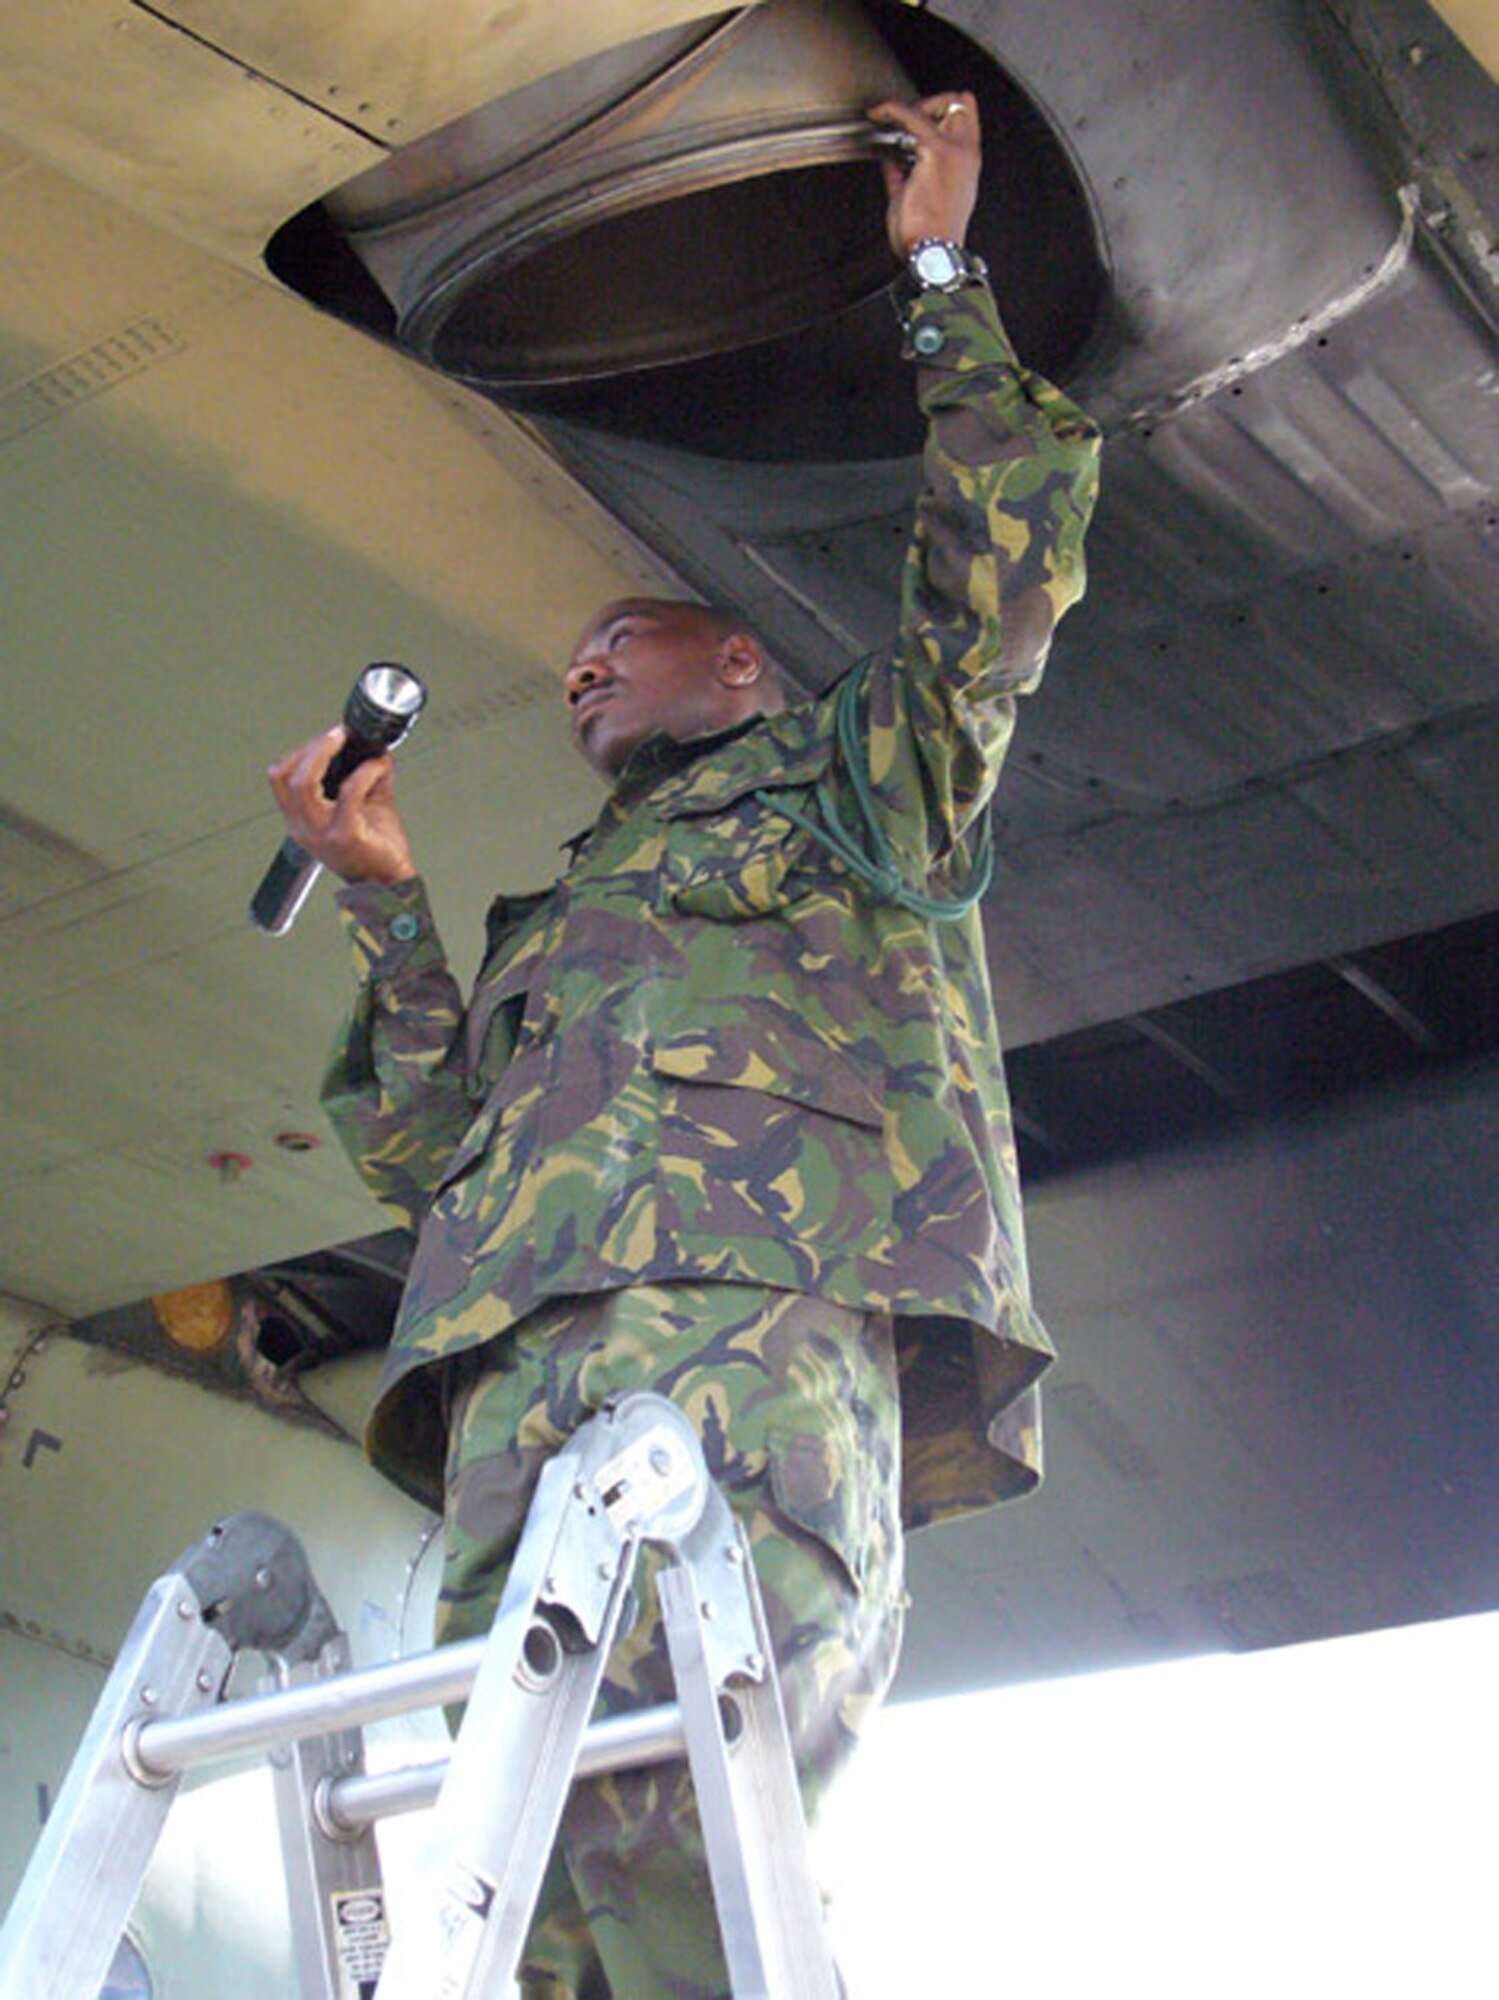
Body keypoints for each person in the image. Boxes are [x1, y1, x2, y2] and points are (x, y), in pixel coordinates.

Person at [269, 88, 1100, 2000]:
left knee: (695, 1855)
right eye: (572, 661)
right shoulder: (554, 921)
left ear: (739, 665)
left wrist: (944, 281)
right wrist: (388, 901)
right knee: (508, 1870)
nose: (578, 665)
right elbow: (423, 1151)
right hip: (513, 1381)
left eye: (621, 636)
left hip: (749, 1353)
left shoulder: (850, 793)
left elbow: (999, 579)